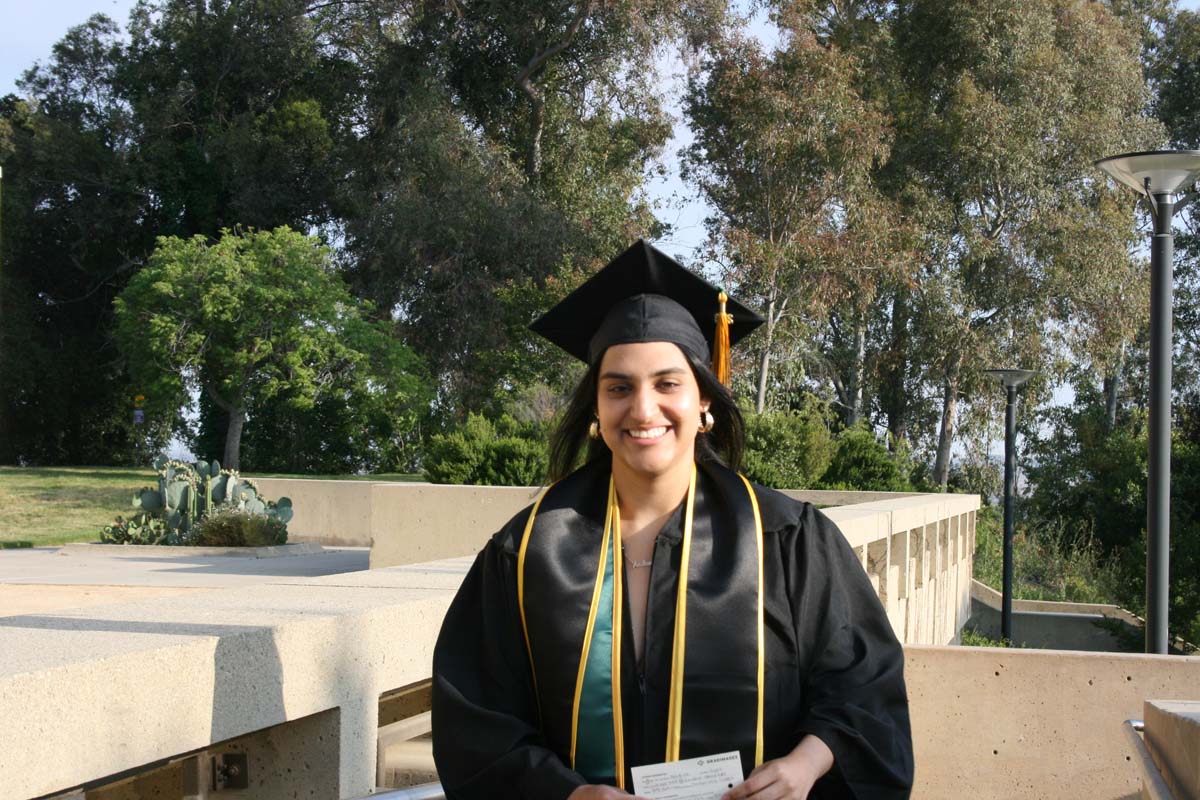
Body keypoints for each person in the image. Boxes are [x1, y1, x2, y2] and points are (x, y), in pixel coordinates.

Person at [432, 240, 913, 800]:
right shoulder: (529, 551)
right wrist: (566, 794)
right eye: (618, 388)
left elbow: (863, 687)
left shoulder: (785, 540)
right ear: (596, 408)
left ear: (704, 401)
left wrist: (804, 765)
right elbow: (475, 718)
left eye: (667, 384)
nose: (642, 409)